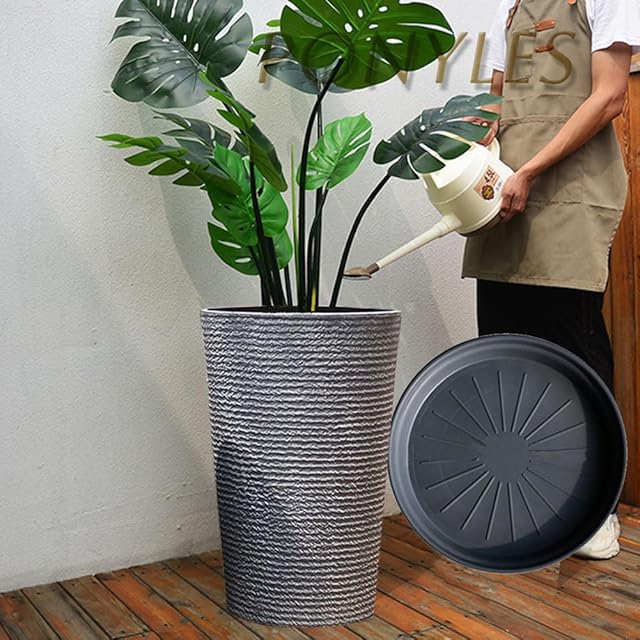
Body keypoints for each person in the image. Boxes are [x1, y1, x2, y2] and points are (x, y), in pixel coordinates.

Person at [463, 0, 640, 559]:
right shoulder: (508, 8)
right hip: (506, 193)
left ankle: (596, 510)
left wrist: (532, 169)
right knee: (503, 351)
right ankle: (524, 503)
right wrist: (474, 151)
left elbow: (610, 96)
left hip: (567, 189)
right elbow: (496, 99)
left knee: (573, 350)